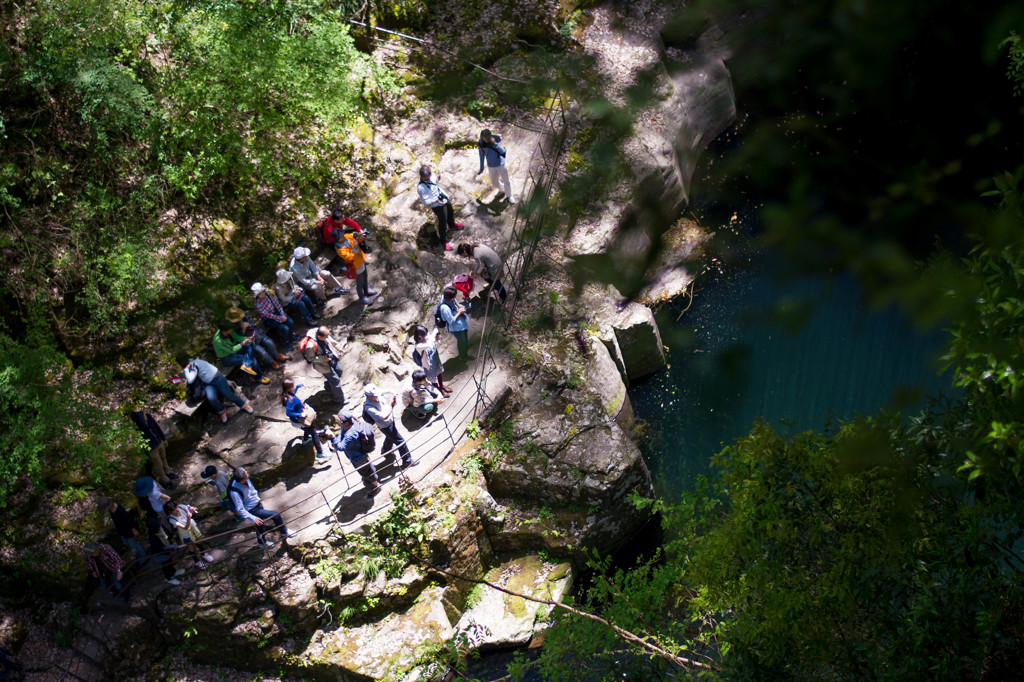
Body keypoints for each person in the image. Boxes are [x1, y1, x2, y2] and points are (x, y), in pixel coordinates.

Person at [228, 467, 294, 548]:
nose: (248, 475)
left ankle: (261, 542)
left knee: (260, 524)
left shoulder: (246, 480)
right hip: (252, 510)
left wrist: (258, 499)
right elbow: (240, 509)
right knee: (275, 515)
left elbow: (252, 490)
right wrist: (253, 518)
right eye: (246, 475)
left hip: (257, 504)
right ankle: (284, 532)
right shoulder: (234, 492)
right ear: (241, 480)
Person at [184, 358, 254, 423]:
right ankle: (222, 410)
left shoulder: (194, 365)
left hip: (217, 378)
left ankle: (243, 405)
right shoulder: (195, 363)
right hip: (208, 383)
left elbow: (190, 380)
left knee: (228, 395)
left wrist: (186, 369)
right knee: (211, 398)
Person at [363, 383, 415, 468]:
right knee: (400, 441)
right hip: (385, 425)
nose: (377, 397)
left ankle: (385, 449)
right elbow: (383, 417)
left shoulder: (376, 393)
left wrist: (392, 392)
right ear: (369, 396)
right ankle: (407, 461)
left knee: (390, 436)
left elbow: (385, 391)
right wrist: (392, 406)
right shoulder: (369, 408)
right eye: (374, 396)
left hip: (390, 421)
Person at [330, 411, 380, 498]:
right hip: (355, 457)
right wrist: (335, 441)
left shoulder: (351, 434)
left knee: (368, 473)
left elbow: (341, 447)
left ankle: (376, 486)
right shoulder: (345, 428)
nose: (337, 422)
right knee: (364, 470)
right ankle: (369, 479)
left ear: (346, 422)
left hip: (359, 458)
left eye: (339, 421)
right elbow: (341, 438)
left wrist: (333, 438)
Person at [416, 165, 464, 251]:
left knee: (450, 211)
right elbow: (425, 201)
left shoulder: (430, 177)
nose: (431, 175)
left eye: (430, 173)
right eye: (429, 174)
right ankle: (443, 241)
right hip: (437, 205)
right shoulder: (421, 188)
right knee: (443, 221)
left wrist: (438, 178)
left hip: (443, 197)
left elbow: (434, 182)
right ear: (424, 176)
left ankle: (452, 225)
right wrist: (436, 201)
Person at [282, 378, 329, 463]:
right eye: (293, 386)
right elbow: (288, 413)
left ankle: (306, 439)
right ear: (288, 388)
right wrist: (300, 415)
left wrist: (298, 386)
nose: (294, 387)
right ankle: (320, 453)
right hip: (300, 420)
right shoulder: (290, 400)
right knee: (314, 433)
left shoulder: (286, 395)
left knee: (307, 428)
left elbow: (293, 393)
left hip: (300, 421)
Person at [129, 410, 177, 489]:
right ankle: (166, 481)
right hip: (152, 448)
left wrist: (164, 439)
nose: (145, 417)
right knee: (159, 465)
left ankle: (168, 472)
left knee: (164, 458)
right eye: (143, 417)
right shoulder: (138, 426)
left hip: (159, 442)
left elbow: (157, 427)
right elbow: (141, 440)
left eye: (144, 415)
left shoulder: (148, 416)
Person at [334, 220, 378, 306]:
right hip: (355, 266)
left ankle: (366, 290)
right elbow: (350, 258)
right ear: (337, 239)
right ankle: (361, 297)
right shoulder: (340, 249)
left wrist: (361, 236)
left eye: (342, 235)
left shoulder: (347, 236)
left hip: (361, 260)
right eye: (341, 236)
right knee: (360, 281)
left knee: (365, 276)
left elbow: (357, 238)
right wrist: (354, 247)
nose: (343, 236)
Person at [301, 326, 346, 404]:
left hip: (332, 358)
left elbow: (331, 341)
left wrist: (338, 347)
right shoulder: (311, 345)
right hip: (323, 365)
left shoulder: (324, 336)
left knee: (339, 370)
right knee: (336, 381)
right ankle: (339, 399)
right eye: (326, 336)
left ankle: (328, 384)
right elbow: (310, 358)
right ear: (319, 336)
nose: (328, 337)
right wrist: (322, 358)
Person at [98, 497, 147, 564]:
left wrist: (133, 529)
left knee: (134, 546)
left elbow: (128, 519)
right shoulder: (111, 510)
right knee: (127, 544)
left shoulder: (119, 509)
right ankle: (141, 554)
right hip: (121, 531)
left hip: (128, 530)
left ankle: (143, 558)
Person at [168, 501, 214, 568]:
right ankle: (197, 561)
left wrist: (193, 509)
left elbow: (191, 508)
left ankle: (204, 554)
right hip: (185, 532)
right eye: (173, 510)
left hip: (193, 526)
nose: (176, 510)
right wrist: (188, 518)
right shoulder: (171, 519)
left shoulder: (181, 506)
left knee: (198, 540)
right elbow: (185, 527)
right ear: (170, 512)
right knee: (191, 547)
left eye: (176, 508)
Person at [252, 282, 296, 349]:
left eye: (263, 292)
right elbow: (268, 315)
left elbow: (277, 305)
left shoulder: (268, 294)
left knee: (290, 321)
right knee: (285, 328)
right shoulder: (257, 304)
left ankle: (291, 336)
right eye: (260, 294)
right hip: (268, 319)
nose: (263, 294)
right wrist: (281, 318)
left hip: (276, 312)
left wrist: (282, 314)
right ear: (257, 295)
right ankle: (285, 341)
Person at [411, 325, 452, 396]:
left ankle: (442, 386)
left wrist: (436, 337)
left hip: (435, 357)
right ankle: (439, 391)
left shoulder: (426, 336)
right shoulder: (418, 346)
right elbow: (429, 344)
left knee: (439, 372)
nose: (426, 335)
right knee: (433, 377)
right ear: (420, 336)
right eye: (425, 334)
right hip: (428, 364)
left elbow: (434, 342)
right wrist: (434, 335)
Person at [145, 516, 185, 585]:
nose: (160, 525)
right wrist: (171, 547)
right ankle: (169, 578)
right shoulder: (153, 537)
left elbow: (167, 536)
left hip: (166, 552)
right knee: (165, 566)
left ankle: (173, 571)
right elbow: (159, 548)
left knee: (169, 561)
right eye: (158, 524)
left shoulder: (159, 531)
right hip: (161, 555)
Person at [477, 129, 514, 203]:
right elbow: (481, 155)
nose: (487, 139)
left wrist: (495, 144)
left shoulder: (496, 139)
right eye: (485, 138)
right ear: (482, 137)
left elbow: (503, 151)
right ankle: (502, 190)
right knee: (494, 182)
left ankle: (509, 195)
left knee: (506, 181)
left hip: (501, 164)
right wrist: (481, 166)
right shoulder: (481, 143)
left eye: (488, 137)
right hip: (491, 165)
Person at [440, 286, 471, 360]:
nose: (455, 297)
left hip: (461, 325)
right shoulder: (444, 308)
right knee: (461, 341)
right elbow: (451, 320)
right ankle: (463, 356)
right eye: (454, 296)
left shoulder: (449, 300)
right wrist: (460, 312)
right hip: (456, 328)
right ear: (450, 297)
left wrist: (462, 307)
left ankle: (466, 346)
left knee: (464, 337)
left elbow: (456, 305)